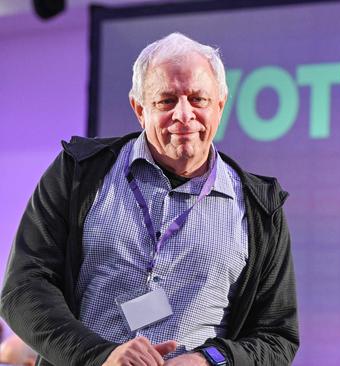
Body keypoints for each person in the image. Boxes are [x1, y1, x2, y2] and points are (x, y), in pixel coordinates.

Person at [0, 33, 298, 366]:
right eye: (166, 100)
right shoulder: (79, 174)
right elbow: (23, 290)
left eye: (198, 99)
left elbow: (277, 337)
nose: (184, 115)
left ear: (220, 105)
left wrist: (209, 361)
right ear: (139, 109)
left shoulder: (259, 207)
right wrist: (101, 356)